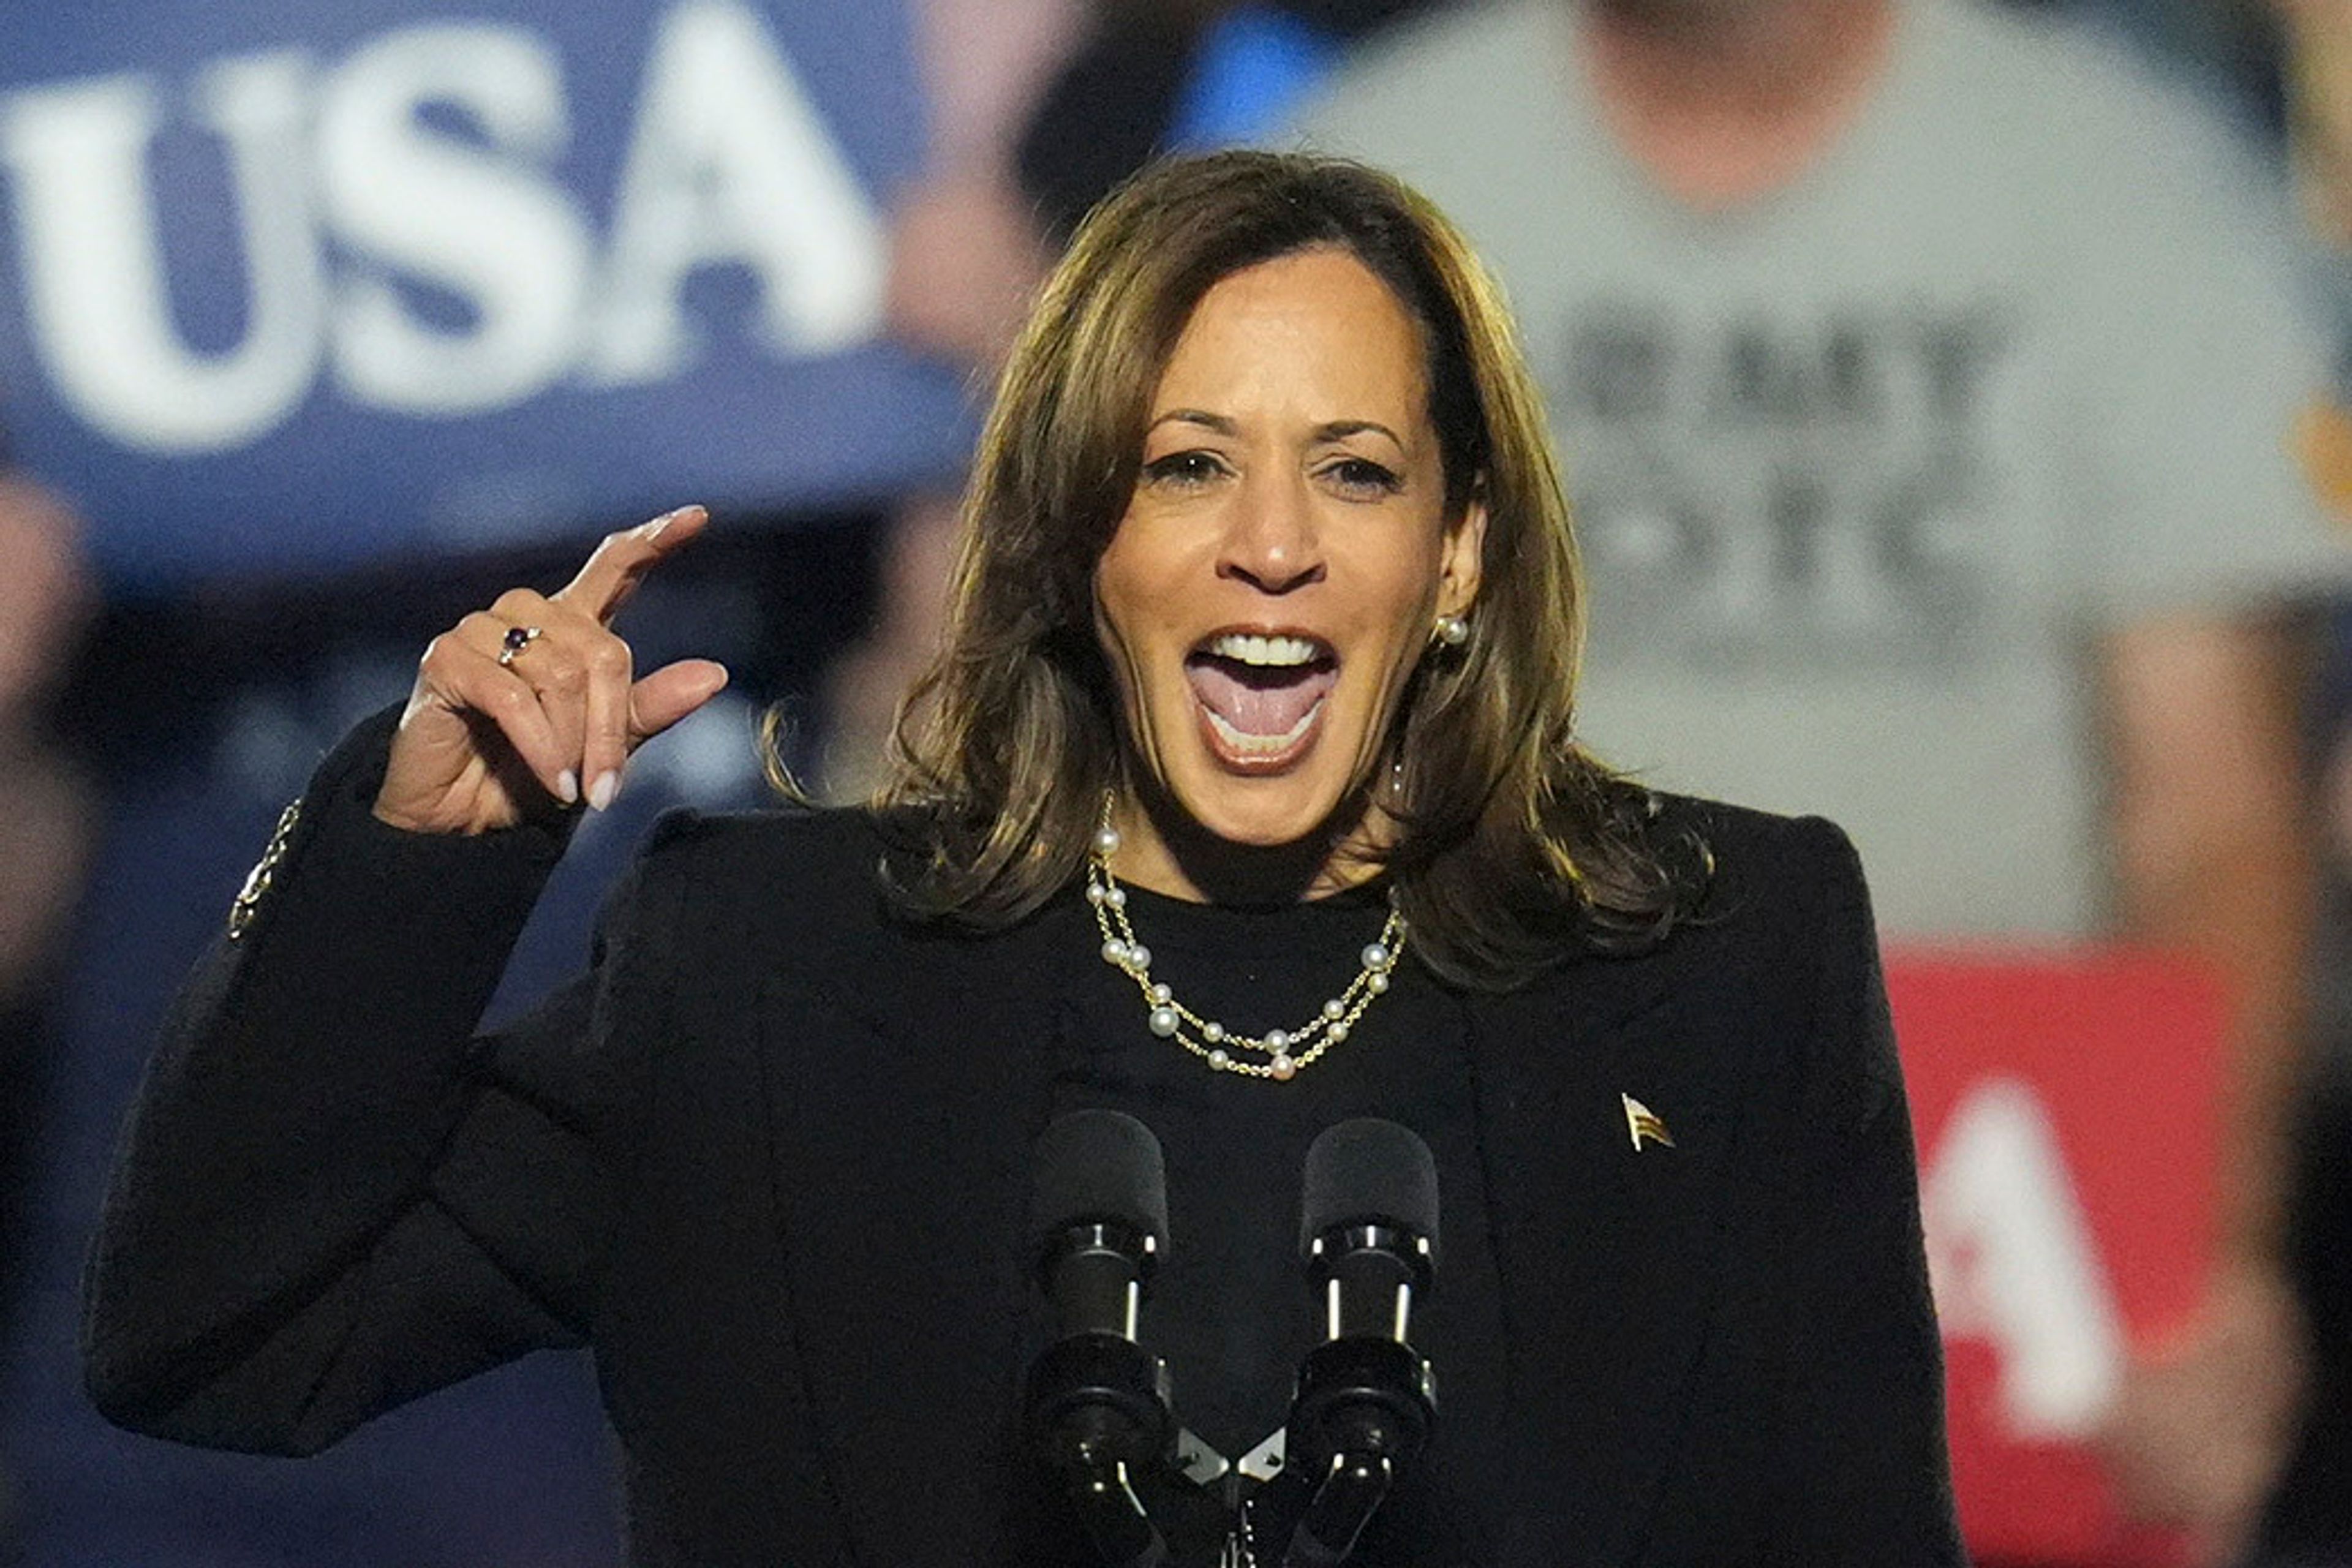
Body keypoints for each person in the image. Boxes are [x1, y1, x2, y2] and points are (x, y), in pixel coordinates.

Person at [83, 151, 1961, 1567]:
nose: (1275, 547)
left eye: (1360, 471)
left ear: (1462, 549)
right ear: (1075, 536)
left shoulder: (1720, 966)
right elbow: (221, 1345)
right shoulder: (765, 973)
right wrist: (407, 867)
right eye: (1188, 463)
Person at [1288, 0, 2346, 1553]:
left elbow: (2217, 827)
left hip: (1995, 1227)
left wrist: (2204, 1268)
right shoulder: (1354, 186)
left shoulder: (2131, 182)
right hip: (1479, 1186)